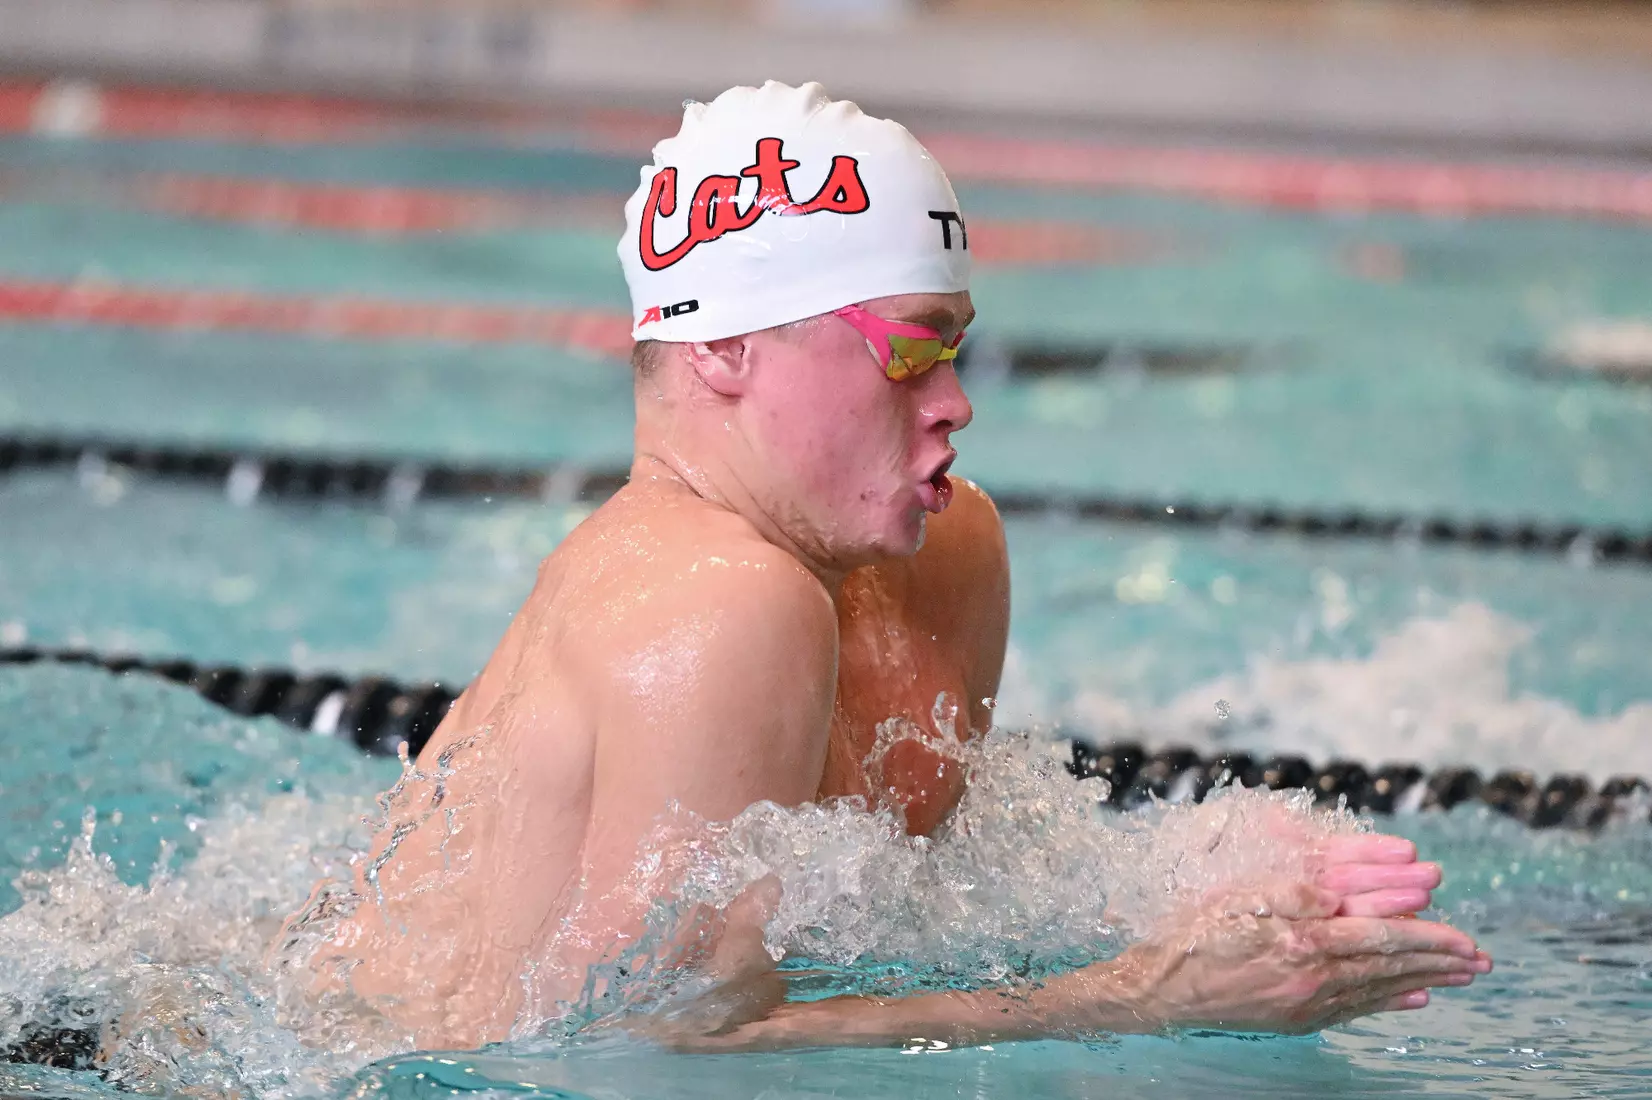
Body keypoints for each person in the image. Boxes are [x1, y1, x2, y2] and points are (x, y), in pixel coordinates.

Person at [290, 81, 1491, 1051]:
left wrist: (1200, 877)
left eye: (956, 345)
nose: (956, 404)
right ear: (723, 348)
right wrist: (1152, 989)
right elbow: (636, 1060)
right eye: (909, 351)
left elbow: (904, 924)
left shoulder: (940, 547)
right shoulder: (713, 604)